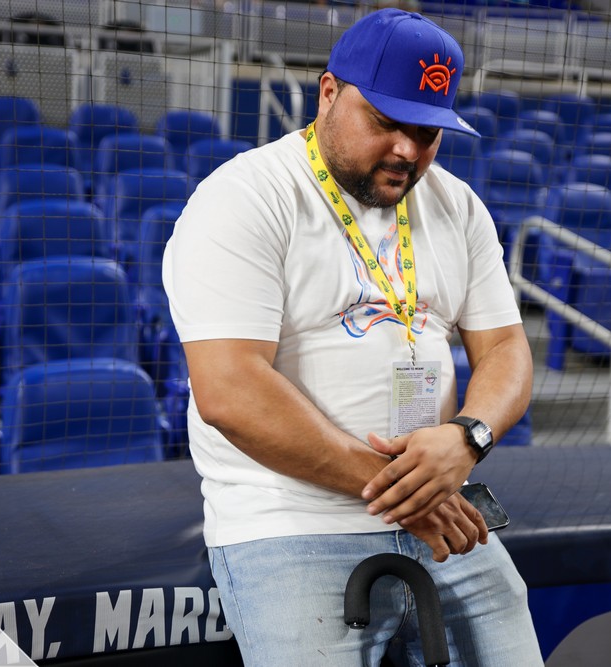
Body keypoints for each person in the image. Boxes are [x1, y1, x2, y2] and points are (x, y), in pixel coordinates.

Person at [163, 8, 543, 666]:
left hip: (439, 513)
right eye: (386, 122)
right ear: (328, 93)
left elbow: (507, 348)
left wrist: (467, 438)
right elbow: (229, 390)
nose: (407, 150)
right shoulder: (245, 197)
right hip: (291, 522)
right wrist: (403, 491)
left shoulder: (456, 205)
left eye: (426, 132)